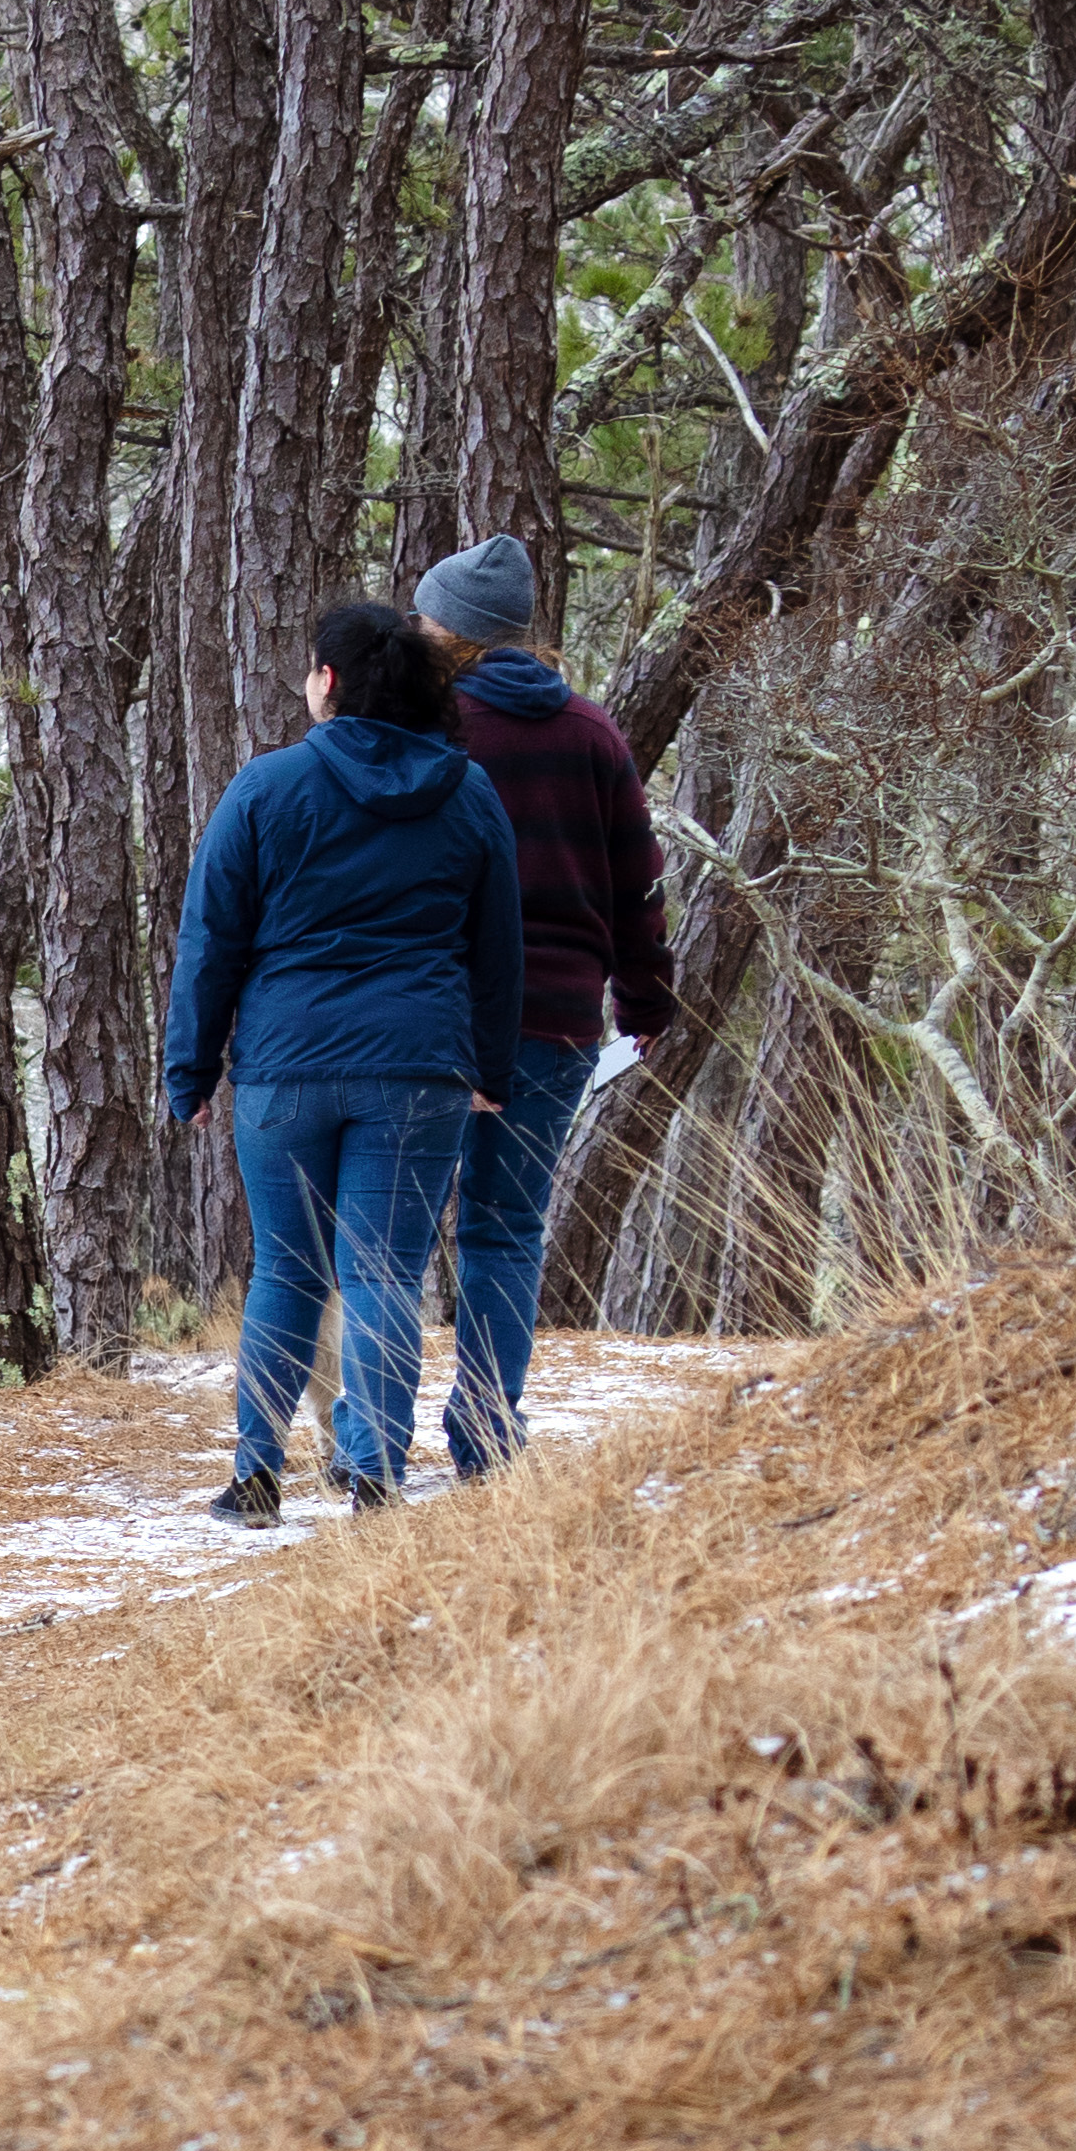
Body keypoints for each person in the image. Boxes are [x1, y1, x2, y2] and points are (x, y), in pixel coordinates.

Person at [159, 597, 523, 1526]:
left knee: (287, 1269)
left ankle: (255, 1478)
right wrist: (488, 1066)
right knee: (385, 1275)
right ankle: (374, 1475)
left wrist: (191, 1072)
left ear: (327, 680)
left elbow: (211, 942)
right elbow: (497, 950)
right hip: (419, 1070)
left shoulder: (266, 788)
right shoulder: (468, 792)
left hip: (286, 1069)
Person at [408, 536, 675, 1480]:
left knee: (393, 1227)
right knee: (505, 1228)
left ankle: (368, 1434)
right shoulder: (593, 734)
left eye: (424, 616)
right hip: (558, 1019)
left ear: (449, 630)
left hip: (433, 1013)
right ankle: (486, 1433)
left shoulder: (427, 728)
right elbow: (636, 885)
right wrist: (645, 998)